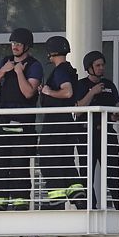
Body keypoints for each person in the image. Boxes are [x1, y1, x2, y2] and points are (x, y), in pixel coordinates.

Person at [0, 28, 43, 209]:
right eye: (13, 43)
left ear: (27, 46)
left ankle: (20, 203)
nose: (15, 47)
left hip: (23, 126)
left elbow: (28, 93)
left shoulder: (34, 65)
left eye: (18, 44)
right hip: (2, 124)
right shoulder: (5, 62)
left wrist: (19, 72)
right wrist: (3, 71)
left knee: (19, 166)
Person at [72, 50, 119, 209]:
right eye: (98, 65)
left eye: (103, 65)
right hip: (87, 134)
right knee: (87, 173)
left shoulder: (109, 85)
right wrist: (92, 92)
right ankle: (90, 206)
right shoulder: (81, 85)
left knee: (113, 173)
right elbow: (78, 110)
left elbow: (118, 109)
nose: (101, 68)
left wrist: (116, 116)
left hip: (107, 134)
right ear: (89, 68)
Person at [36, 35, 81, 208]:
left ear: (51, 52)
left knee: (49, 158)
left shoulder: (61, 70)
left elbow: (67, 92)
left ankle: (56, 201)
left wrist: (48, 92)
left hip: (55, 125)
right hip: (67, 124)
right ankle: (78, 197)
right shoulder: (68, 70)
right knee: (65, 160)